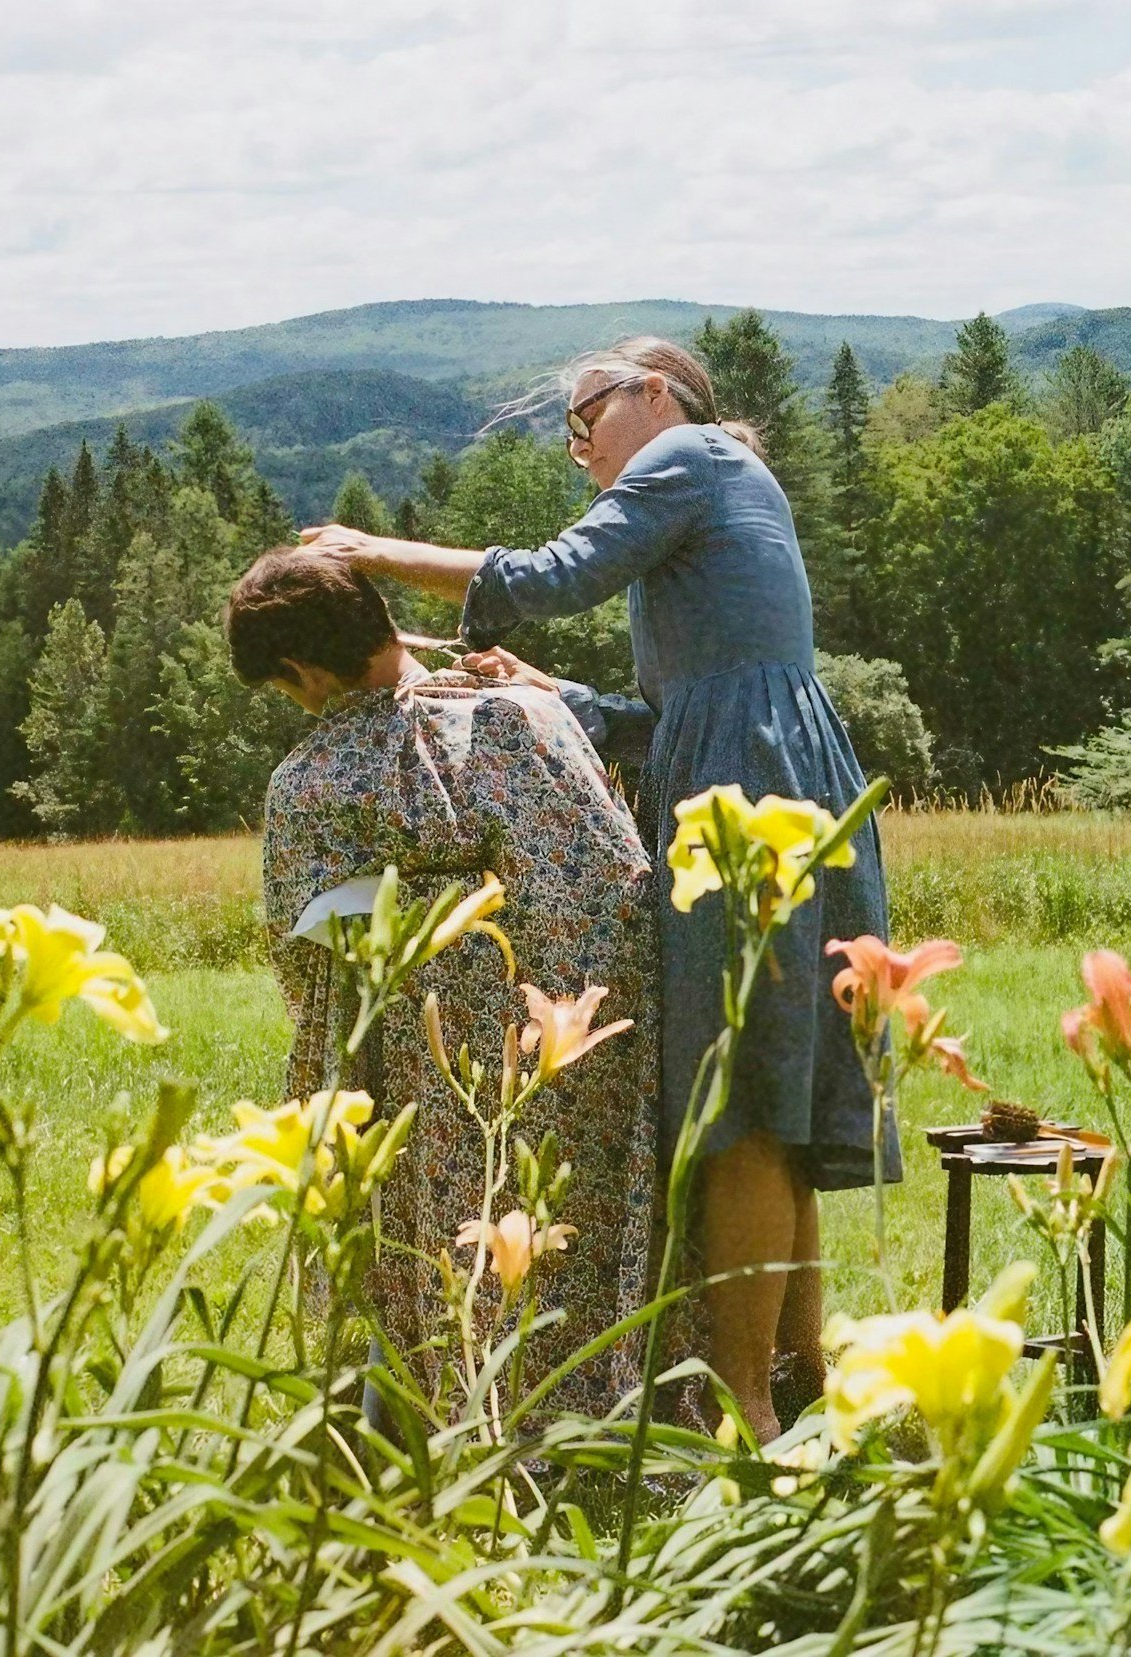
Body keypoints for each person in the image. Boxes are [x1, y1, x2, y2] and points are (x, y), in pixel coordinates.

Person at [298, 337, 893, 1441]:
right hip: (764, 777)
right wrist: (552, 691)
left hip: (746, 799)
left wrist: (366, 549)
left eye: (585, 420)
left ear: (655, 393)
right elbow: (667, 723)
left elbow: (547, 576)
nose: (581, 451)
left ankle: (745, 1408)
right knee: (771, 1101)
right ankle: (798, 1382)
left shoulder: (692, 456)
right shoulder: (708, 496)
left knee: (741, 1109)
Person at [229, 548, 657, 1420]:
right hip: (566, 1048)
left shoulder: (307, 783)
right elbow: (617, 879)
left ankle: (425, 1409)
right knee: (556, 1213)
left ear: (305, 671)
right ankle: (589, 1405)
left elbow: (304, 960)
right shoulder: (521, 716)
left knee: (426, 1226)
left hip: (416, 1074)